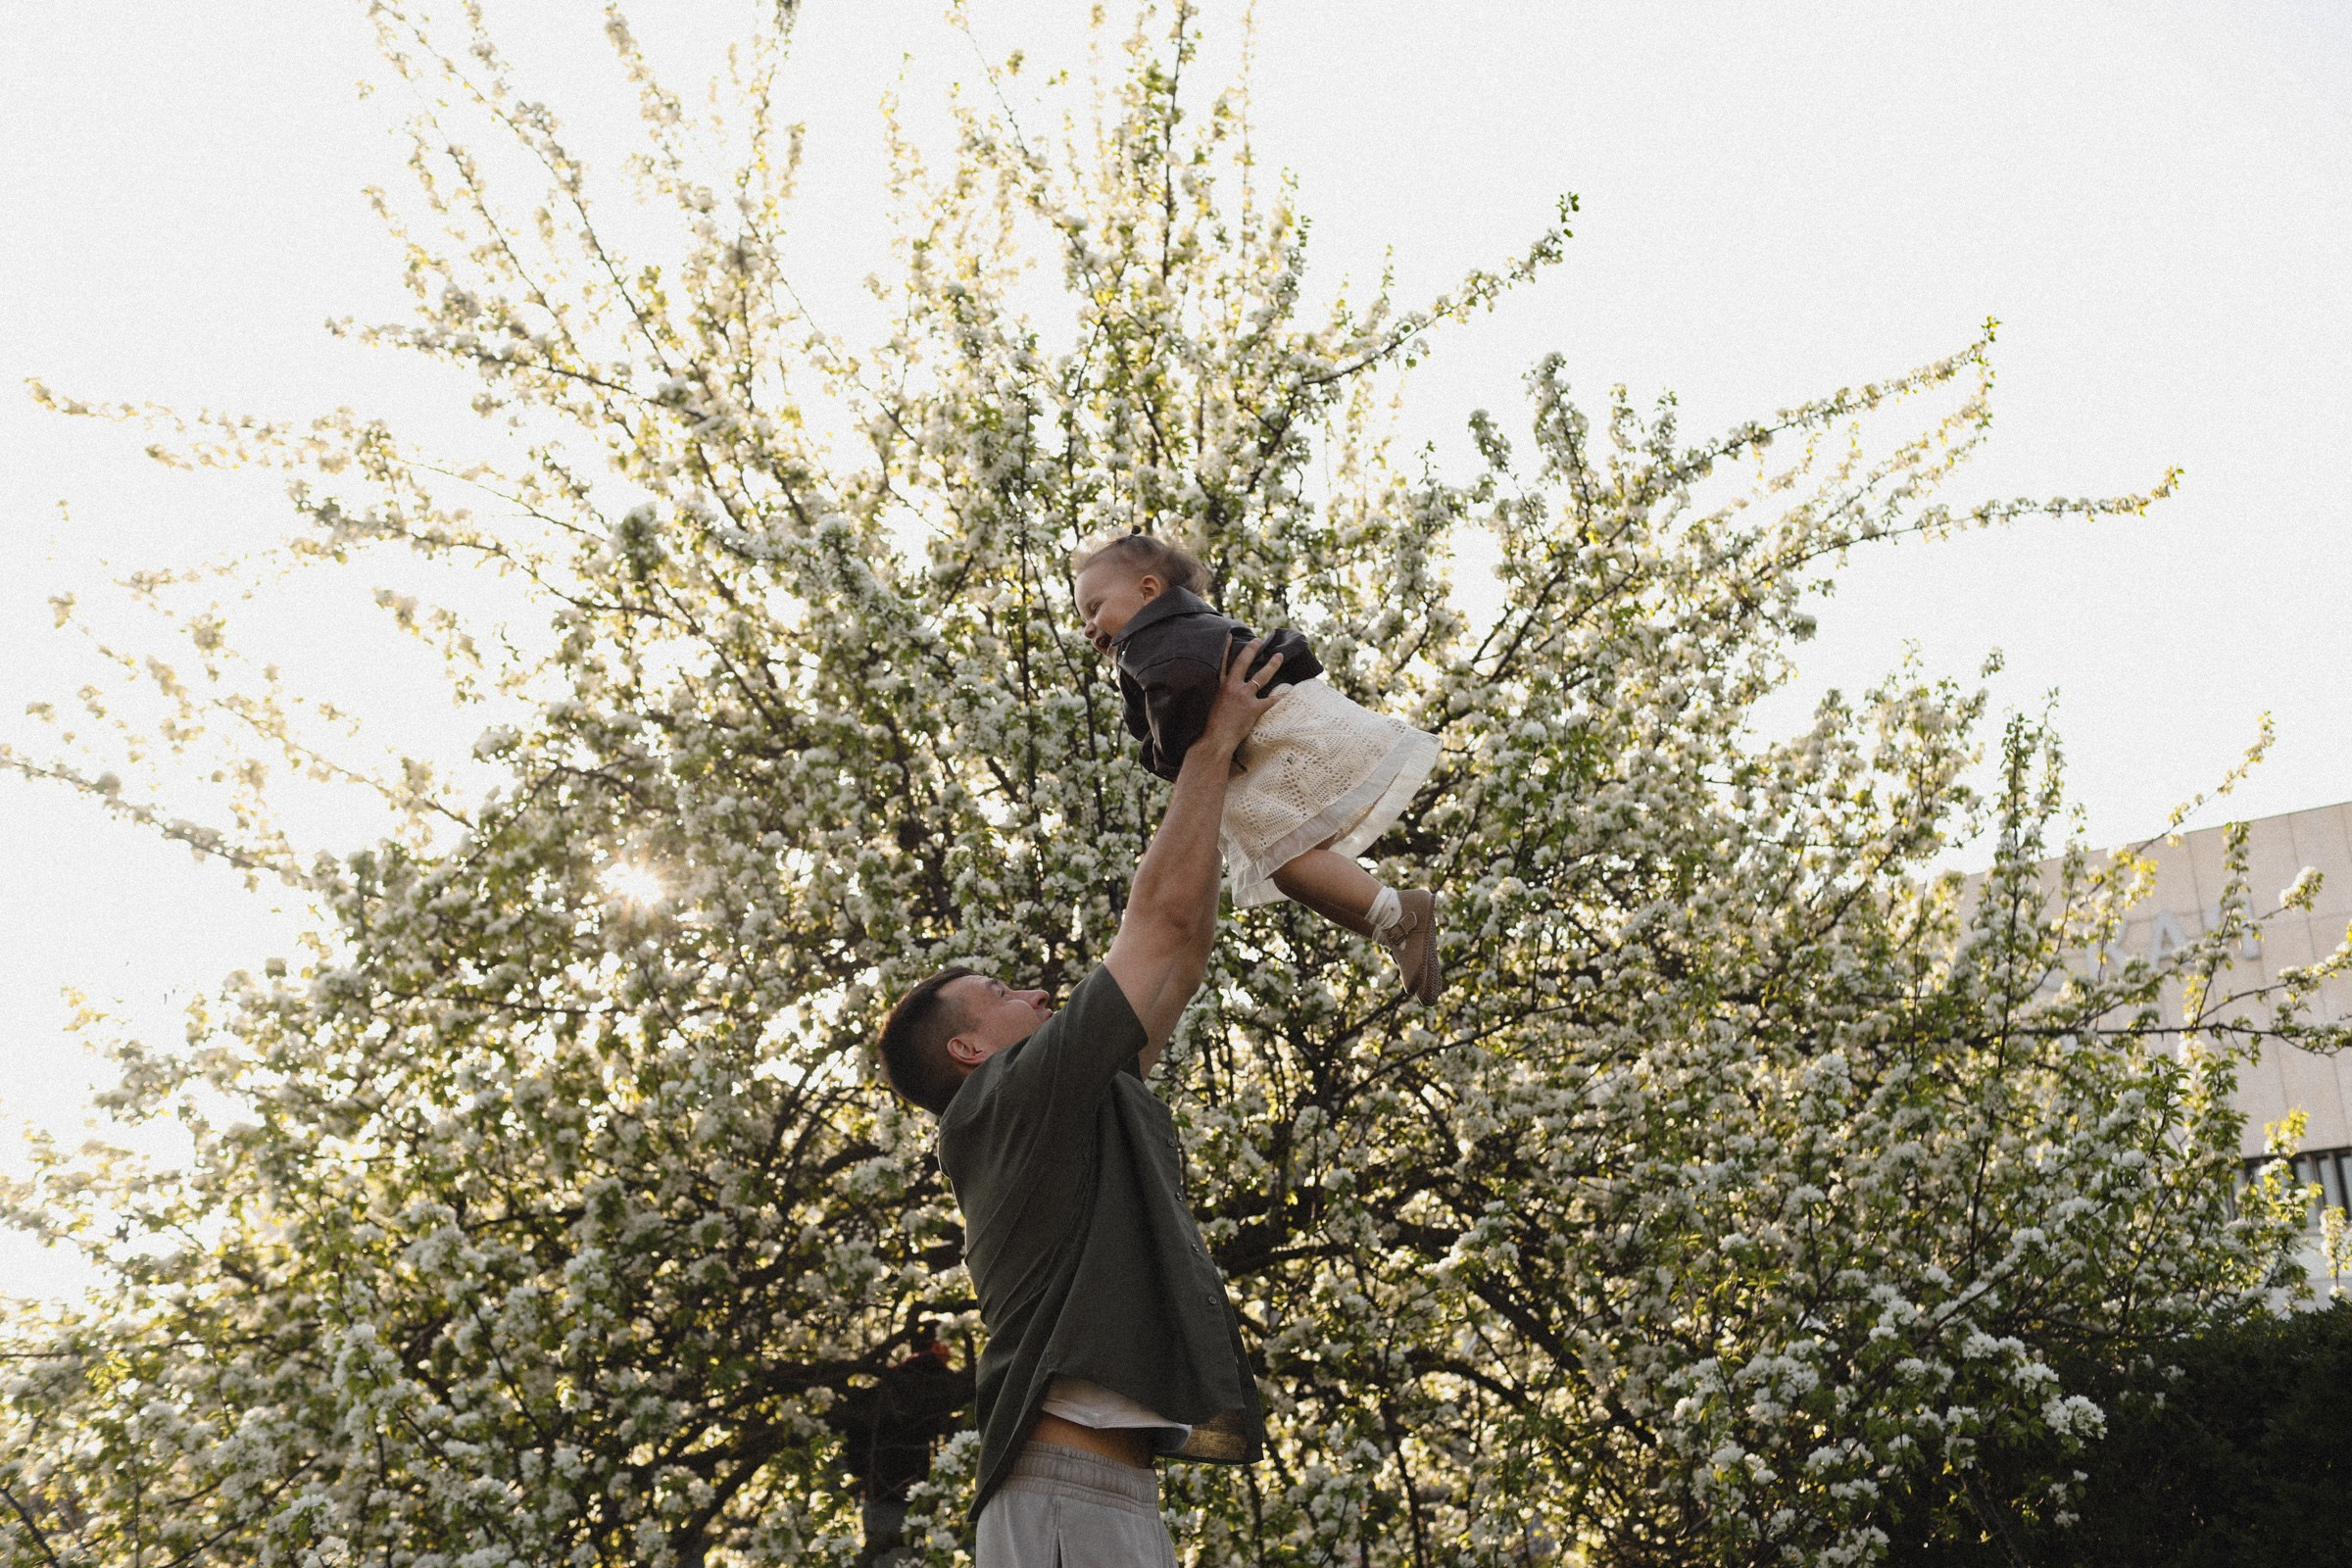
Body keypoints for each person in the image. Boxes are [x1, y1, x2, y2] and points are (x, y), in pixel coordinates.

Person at [874, 638, 1285, 1565]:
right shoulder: (1006, 1102)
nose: (1040, 994)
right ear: (970, 1049)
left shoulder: (1066, 1099)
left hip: (1100, 1494)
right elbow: (1160, 924)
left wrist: (1214, 782)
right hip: (1063, 1498)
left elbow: (1183, 953)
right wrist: (1207, 746)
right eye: (1007, 994)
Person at [1071, 532, 1444, 1003]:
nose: (1087, 627)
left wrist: (1164, 756)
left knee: (1288, 860)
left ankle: (1399, 913)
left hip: (1274, 740)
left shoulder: (1154, 642)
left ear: (1148, 592)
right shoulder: (1169, 634)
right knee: (1286, 869)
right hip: (1266, 743)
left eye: (1094, 607)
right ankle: (1393, 926)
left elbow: (1180, 701)